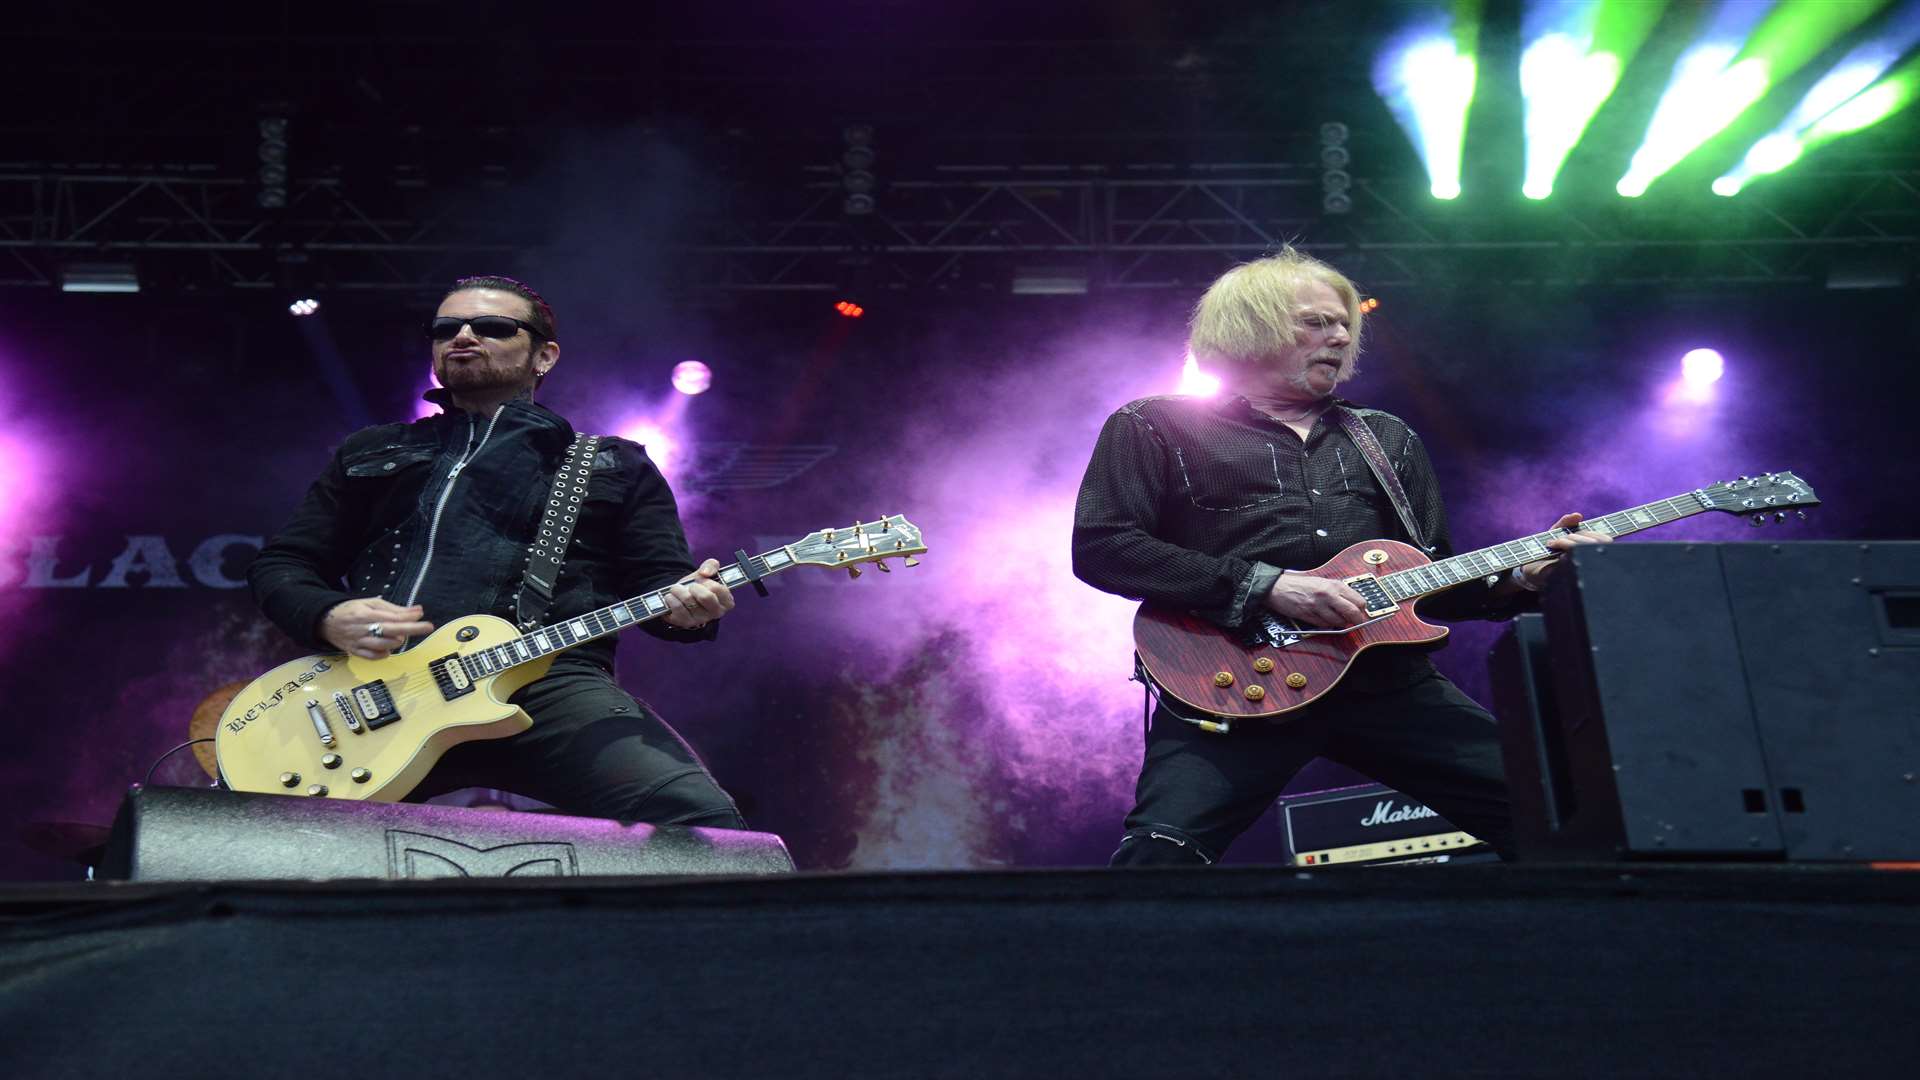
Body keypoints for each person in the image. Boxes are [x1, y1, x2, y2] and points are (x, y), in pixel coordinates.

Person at [1071, 247, 1606, 865]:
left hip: (1385, 684)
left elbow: (1432, 578)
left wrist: (1520, 579)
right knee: (1160, 858)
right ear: (1250, 326)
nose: (1340, 335)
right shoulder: (1153, 426)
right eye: (1316, 322)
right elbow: (1106, 547)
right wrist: (1267, 584)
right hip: (1230, 681)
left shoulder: (1385, 437)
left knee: (1562, 820)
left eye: (1344, 324)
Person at [247, 275, 746, 827]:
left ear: (544, 355)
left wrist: (689, 609)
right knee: (282, 841)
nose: (463, 336)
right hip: (378, 692)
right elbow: (283, 564)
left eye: (491, 327)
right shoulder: (375, 450)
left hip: (549, 682)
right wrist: (327, 614)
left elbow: (665, 587)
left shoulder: (613, 464)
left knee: (701, 822)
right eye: (446, 329)